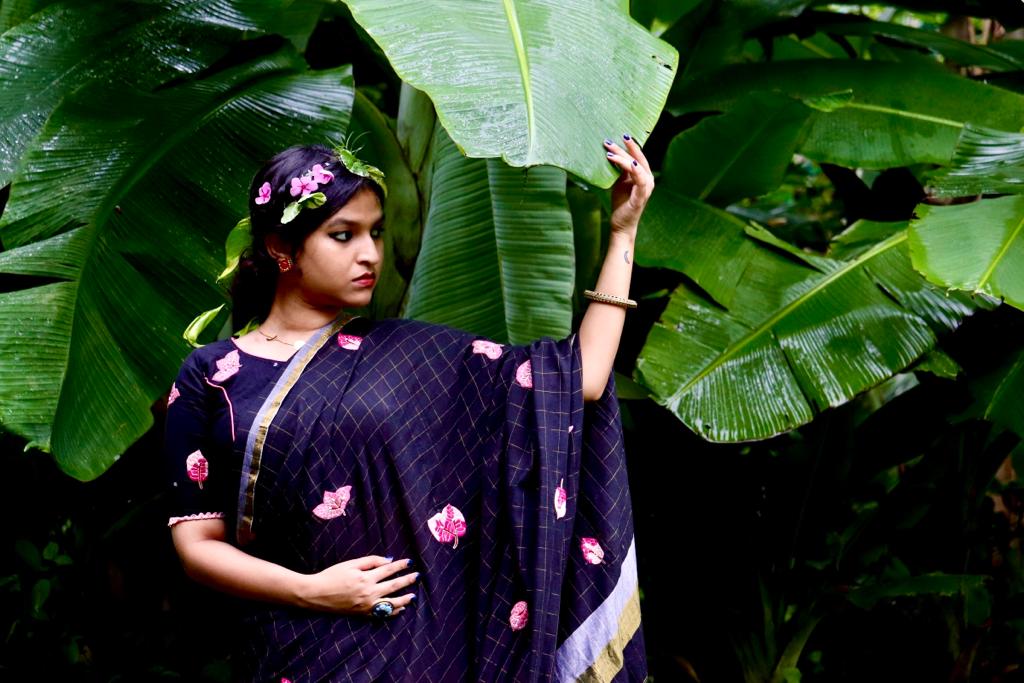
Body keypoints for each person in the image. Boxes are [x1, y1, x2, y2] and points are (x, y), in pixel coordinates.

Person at [163, 134, 654, 682]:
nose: (370, 253)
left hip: (421, 650)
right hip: (291, 648)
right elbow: (196, 545)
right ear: (282, 248)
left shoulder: (415, 356)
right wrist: (313, 591)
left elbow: (579, 377)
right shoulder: (212, 374)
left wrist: (622, 233)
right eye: (343, 236)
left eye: (374, 232)